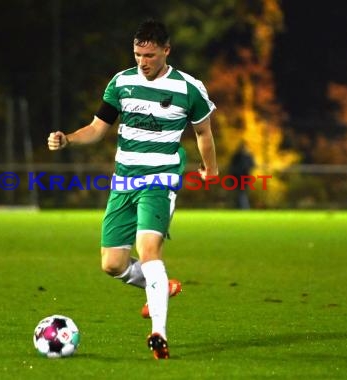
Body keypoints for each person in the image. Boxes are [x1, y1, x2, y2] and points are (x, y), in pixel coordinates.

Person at [47, 18, 218, 359]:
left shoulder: (188, 88)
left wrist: (210, 168)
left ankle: (159, 332)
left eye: (150, 55)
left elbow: (203, 133)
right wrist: (68, 139)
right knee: (112, 264)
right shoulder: (121, 83)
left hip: (160, 180)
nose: (143, 61)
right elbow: (97, 128)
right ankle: (161, 286)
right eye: (138, 53)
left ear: (166, 51)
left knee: (148, 248)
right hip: (124, 181)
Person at [228, 144, 255, 209]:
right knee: (240, 193)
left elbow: (232, 166)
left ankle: (243, 207)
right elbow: (252, 165)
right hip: (240, 178)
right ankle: (243, 207)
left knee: (241, 193)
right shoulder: (245, 156)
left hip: (241, 178)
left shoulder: (239, 156)